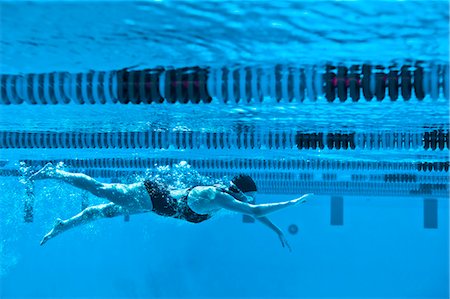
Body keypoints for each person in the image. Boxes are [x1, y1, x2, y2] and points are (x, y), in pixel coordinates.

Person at [30, 163, 313, 250]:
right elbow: (253, 212)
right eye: (249, 197)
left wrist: (275, 230)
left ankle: (61, 225)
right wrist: (292, 202)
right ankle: (54, 172)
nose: (249, 203)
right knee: (101, 191)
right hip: (150, 197)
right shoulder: (219, 197)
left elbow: (253, 212)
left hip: (151, 204)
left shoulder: (225, 200)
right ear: (241, 193)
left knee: (102, 212)